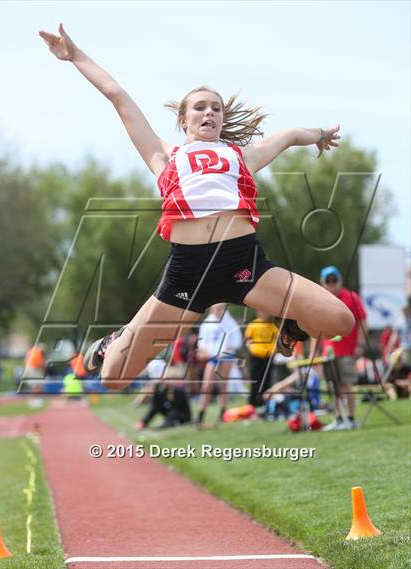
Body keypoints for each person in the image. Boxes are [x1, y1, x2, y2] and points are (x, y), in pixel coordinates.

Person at [39, 24, 355, 392]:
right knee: (112, 379)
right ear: (183, 119)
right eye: (200, 107)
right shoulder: (165, 156)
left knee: (340, 319)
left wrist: (319, 135)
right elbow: (118, 96)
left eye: (216, 108)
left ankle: (293, 324)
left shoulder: (241, 156)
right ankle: (114, 341)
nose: (210, 113)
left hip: (244, 263)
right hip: (187, 275)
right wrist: (75, 55)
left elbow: (286, 137)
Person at [311, 266, 367, 430]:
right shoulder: (320, 300)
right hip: (329, 352)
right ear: (322, 283)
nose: (332, 284)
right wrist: (315, 353)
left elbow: (363, 321)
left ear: (340, 280)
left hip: (348, 351)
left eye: (334, 280)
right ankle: (338, 419)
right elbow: (316, 328)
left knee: (346, 385)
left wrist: (360, 344)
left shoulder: (351, 297)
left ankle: (350, 418)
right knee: (333, 387)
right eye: (328, 281)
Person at [196, 303, 243, 424]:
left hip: (226, 356)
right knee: (207, 385)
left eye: (220, 308)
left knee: (223, 385)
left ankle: (222, 412)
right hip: (213, 356)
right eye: (215, 308)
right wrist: (204, 350)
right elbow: (202, 341)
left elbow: (237, 339)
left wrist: (229, 348)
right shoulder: (207, 323)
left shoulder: (229, 321)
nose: (217, 311)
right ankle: (201, 414)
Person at [245, 311, 278, 408]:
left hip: (268, 356)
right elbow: (247, 339)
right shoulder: (254, 324)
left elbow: (277, 339)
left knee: (267, 380)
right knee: (255, 380)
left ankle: (265, 404)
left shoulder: (273, 325)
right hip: (256, 356)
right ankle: (252, 404)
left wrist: (275, 349)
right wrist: (251, 348)